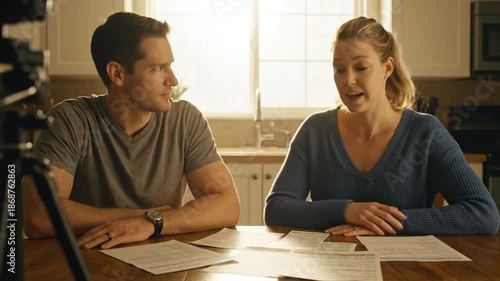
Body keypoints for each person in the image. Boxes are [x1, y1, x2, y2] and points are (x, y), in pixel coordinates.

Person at [264, 17, 499, 236]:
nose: (348, 81)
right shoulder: (315, 131)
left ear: (387, 68)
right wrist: (347, 211)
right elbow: (276, 208)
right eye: (339, 69)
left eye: (361, 67)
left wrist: (388, 223)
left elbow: (483, 214)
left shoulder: (425, 132)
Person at [23, 12, 240, 249]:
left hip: (162, 264)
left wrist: (152, 223)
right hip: (88, 261)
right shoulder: (70, 120)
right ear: (117, 73)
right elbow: (38, 216)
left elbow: (227, 204)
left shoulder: (185, 120)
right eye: (157, 68)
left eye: (170, 66)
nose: (173, 80)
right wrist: (145, 216)